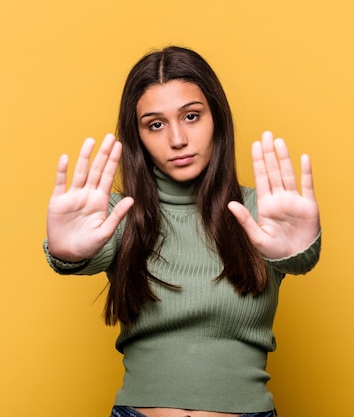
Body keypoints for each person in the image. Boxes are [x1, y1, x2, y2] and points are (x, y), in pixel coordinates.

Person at [43, 46, 322, 417]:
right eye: (155, 124)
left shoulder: (261, 211)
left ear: (217, 119)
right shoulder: (118, 214)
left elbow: (301, 258)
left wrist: (299, 251)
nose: (177, 139)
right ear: (137, 136)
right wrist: (67, 253)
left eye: (191, 116)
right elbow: (75, 254)